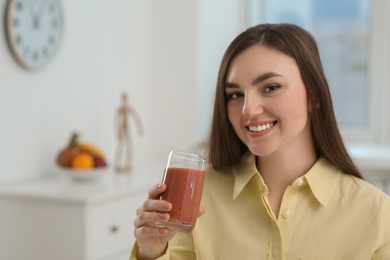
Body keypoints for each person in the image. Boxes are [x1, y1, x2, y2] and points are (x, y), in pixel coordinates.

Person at [131, 23, 390, 259]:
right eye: (235, 94)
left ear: (314, 95)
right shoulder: (198, 197)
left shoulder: (377, 213)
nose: (248, 110)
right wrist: (152, 252)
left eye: (270, 87)